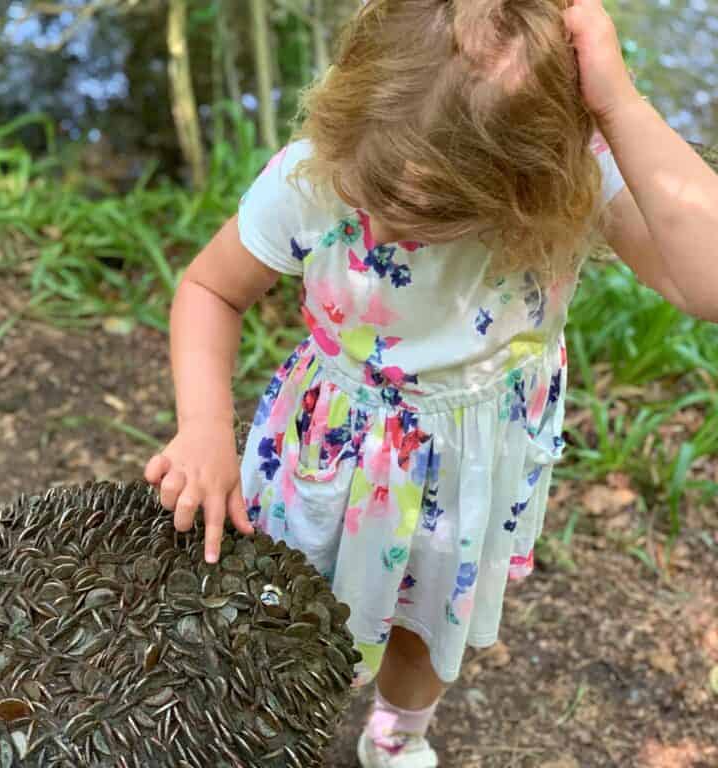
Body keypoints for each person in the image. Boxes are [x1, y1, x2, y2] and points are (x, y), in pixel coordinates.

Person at [144, 0, 718, 765]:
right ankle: (254, 721)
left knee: (424, 623)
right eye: (370, 192)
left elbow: (707, 284)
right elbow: (211, 290)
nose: (376, 229)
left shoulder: (569, 183)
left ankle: (396, 734)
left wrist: (615, 100)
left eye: (420, 214)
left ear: (525, 188)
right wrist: (205, 428)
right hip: (331, 457)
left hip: (468, 470)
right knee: (278, 608)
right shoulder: (319, 174)